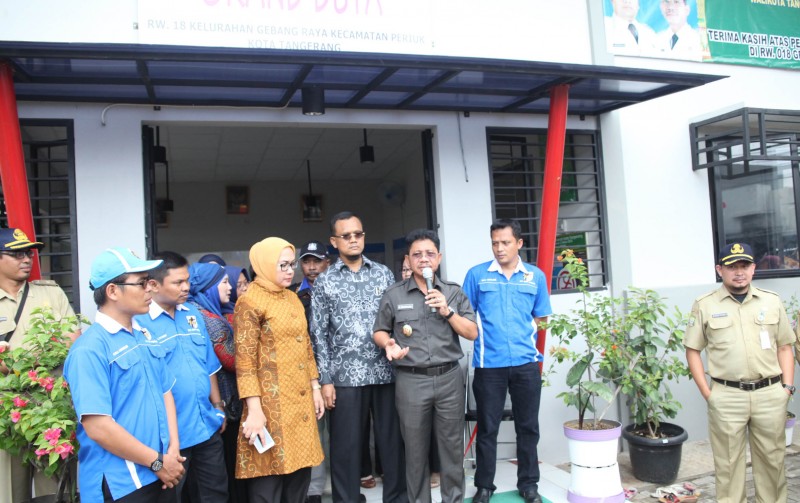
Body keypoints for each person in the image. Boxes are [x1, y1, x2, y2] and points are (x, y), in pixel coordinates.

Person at [63, 247, 185, 503]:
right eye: (141, 283)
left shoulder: (144, 335)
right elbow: (99, 427)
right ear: (112, 291)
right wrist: (157, 462)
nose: (150, 289)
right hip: (122, 483)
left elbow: (165, 391)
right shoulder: (89, 349)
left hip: (161, 471)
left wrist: (173, 448)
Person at [685, 242, 795, 503]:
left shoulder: (771, 301)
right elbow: (692, 350)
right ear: (719, 270)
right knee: (728, 466)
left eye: (744, 266)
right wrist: (708, 393)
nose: (739, 272)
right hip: (727, 396)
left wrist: (787, 388)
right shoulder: (705, 305)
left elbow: (785, 346)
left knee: (773, 462)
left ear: (753, 269)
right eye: (732, 267)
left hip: (770, 394)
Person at [373, 228, 478, 503]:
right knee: (415, 451)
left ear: (439, 258)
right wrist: (388, 344)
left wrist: (447, 311)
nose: (424, 259)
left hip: (449, 379)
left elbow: (471, 332)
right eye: (417, 254)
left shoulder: (453, 292)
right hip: (411, 380)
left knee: (451, 449)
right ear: (408, 259)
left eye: (430, 254)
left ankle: (453, 499)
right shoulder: (394, 294)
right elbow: (379, 330)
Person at [310, 211, 407, 503]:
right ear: (334, 241)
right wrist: (325, 380)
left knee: (392, 443)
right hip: (344, 377)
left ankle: (397, 498)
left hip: (385, 371)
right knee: (346, 447)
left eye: (358, 234)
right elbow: (318, 334)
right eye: (346, 236)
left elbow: (396, 319)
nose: (353, 240)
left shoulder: (383, 274)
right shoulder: (324, 281)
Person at [461, 219, 552, 503]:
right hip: (489, 365)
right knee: (488, 428)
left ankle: (529, 484)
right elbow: (465, 316)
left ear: (519, 243)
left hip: (526, 365)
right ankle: (484, 486)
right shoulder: (477, 275)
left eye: (505, 242)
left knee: (528, 427)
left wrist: (526, 338)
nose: (499, 248)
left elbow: (542, 317)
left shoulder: (535, 277)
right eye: (495, 243)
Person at [234, 237, 324, 503]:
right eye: (282, 265)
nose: (289, 271)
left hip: (300, 401)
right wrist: (254, 410)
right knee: (269, 480)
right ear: (264, 264)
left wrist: (315, 387)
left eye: (291, 264)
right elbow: (245, 362)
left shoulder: (293, 298)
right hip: (270, 406)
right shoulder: (249, 301)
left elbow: (306, 346)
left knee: (299, 478)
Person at [135, 253, 228, 503]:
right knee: (172, 497)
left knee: (215, 494)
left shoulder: (192, 314)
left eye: (187, 280)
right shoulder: (139, 323)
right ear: (154, 285)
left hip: (206, 426)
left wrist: (218, 406)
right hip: (170, 437)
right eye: (178, 282)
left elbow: (208, 365)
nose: (186, 287)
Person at [0, 228, 76, 503]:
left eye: (29, 253)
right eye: (16, 253)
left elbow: (72, 341)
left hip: (51, 409)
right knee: (10, 492)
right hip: (7, 412)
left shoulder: (49, 294)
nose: (26, 259)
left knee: (56, 493)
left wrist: (16, 363)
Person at [189, 263, 247, 503]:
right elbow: (233, 360)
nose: (230, 287)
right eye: (224, 282)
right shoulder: (208, 319)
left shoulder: (207, 312)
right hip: (223, 406)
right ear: (209, 287)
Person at [288, 240, 330, 503]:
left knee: (343, 433)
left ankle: (345, 484)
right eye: (307, 261)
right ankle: (314, 489)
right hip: (305, 374)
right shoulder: (291, 294)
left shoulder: (338, 288)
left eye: (317, 261)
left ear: (327, 262)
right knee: (312, 432)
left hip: (338, 371)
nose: (312, 267)